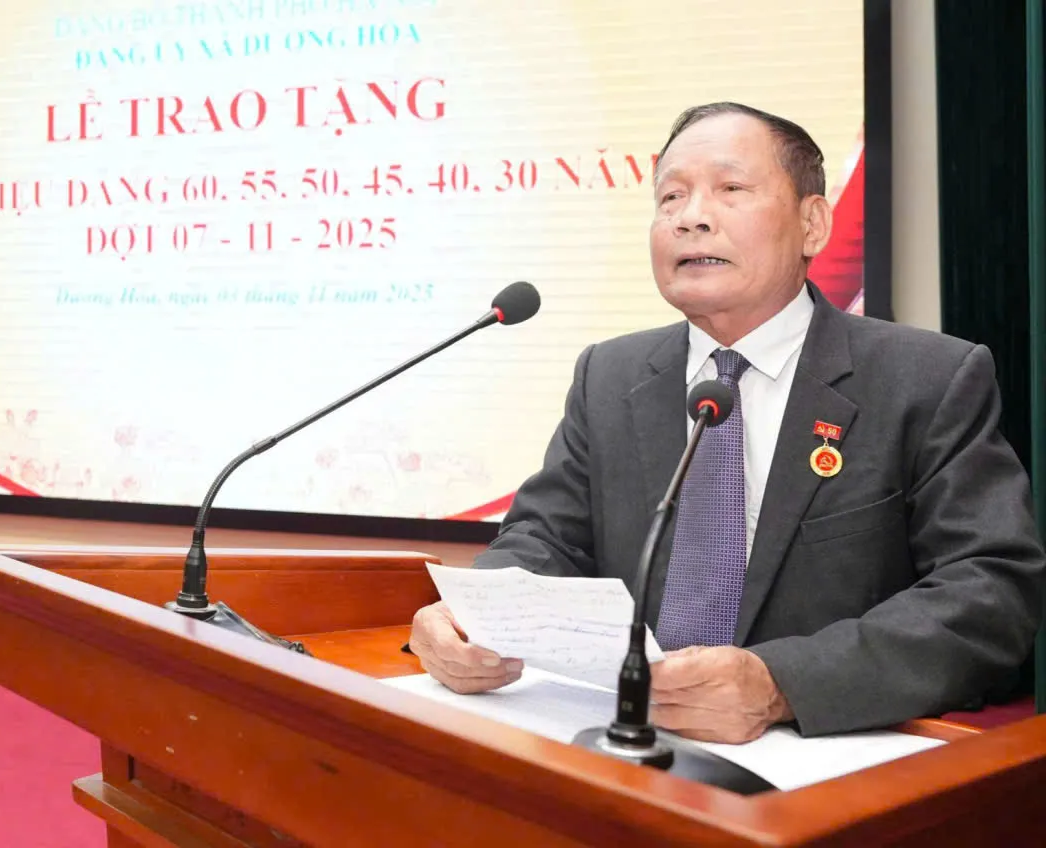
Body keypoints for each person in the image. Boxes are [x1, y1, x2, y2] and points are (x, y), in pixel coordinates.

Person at [408, 102, 1046, 744]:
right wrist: (471, 613)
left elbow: (991, 592)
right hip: (618, 739)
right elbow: (547, 538)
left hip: (816, 760)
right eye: (671, 197)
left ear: (813, 224)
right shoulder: (610, 375)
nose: (691, 217)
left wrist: (782, 684)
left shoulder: (926, 378)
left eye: (731, 189)